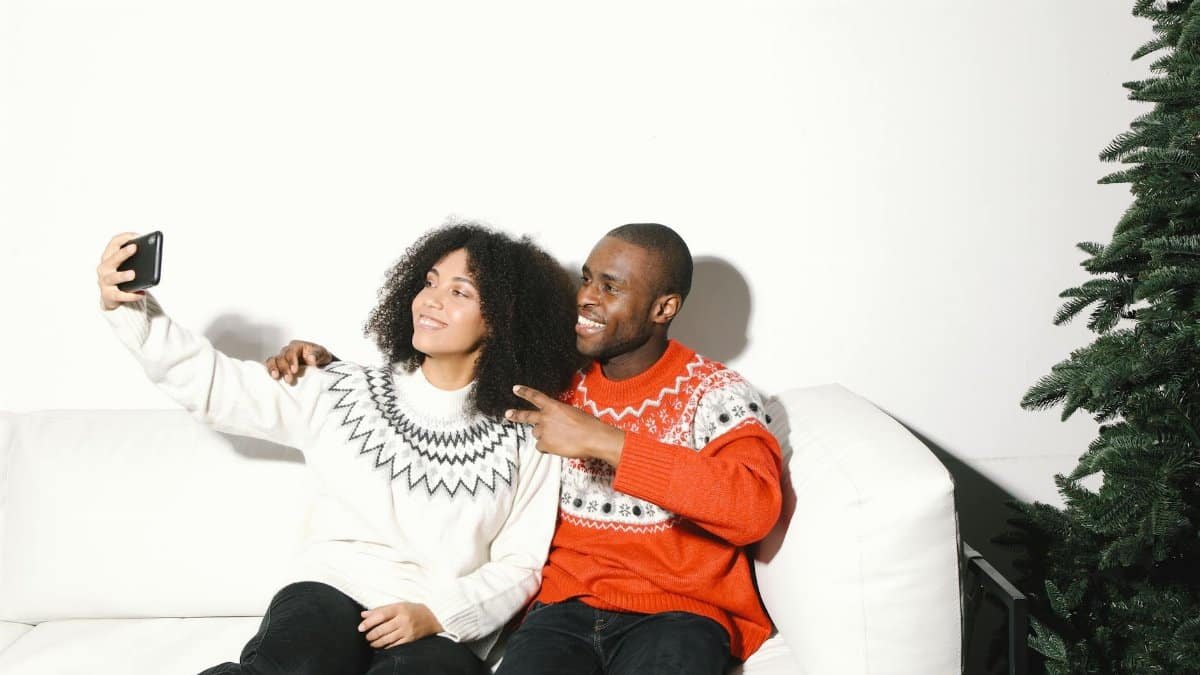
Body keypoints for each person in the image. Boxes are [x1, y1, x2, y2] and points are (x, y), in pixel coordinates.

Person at [268, 223, 783, 675]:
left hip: (681, 614)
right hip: (561, 613)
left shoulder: (717, 393)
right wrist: (333, 374)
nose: (585, 297)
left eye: (611, 287)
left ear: (663, 307)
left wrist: (606, 442)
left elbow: (753, 509)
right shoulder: (555, 386)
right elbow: (444, 397)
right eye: (586, 279)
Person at [95, 222, 579, 675]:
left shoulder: (527, 432)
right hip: (332, 590)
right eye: (430, 282)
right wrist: (132, 307)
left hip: (436, 622)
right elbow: (213, 385)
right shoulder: (341, 390)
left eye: (459, 293)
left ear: (502, 321)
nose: (432, 300)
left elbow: (520, 563)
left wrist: (439, 614)